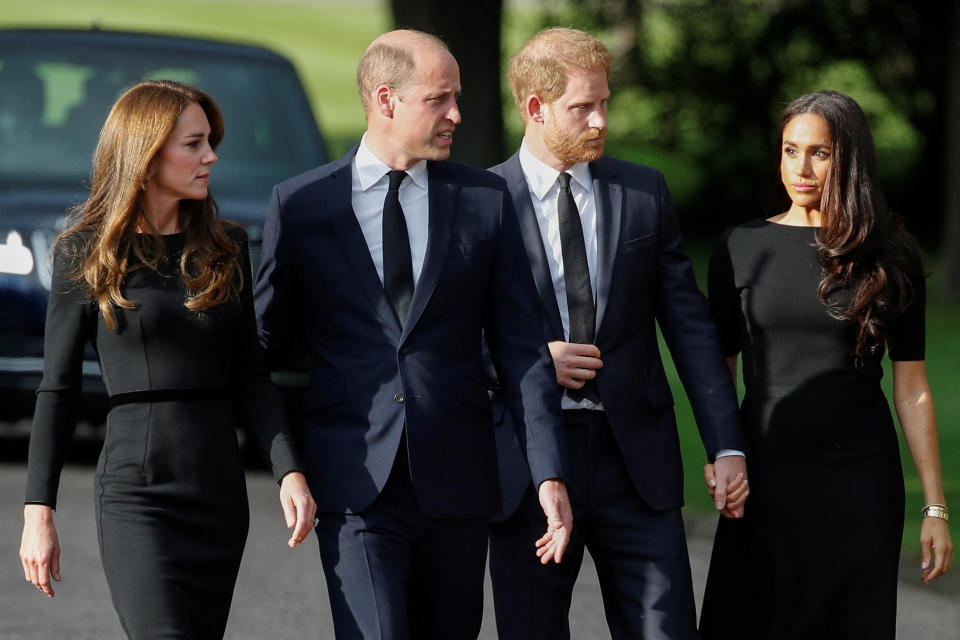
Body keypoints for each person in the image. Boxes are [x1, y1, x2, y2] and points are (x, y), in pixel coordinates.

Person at [253, 30, 572, 640]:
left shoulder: (485, 200)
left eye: (457, 97)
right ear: (385, 99)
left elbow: (522, 349)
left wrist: (548, 473)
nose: (456, 114)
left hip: (458, 478)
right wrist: (286, 465)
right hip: (352, 481)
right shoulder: (304, 206)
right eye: (439, 98)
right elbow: (261, 352)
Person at [18, 80, 317, 639]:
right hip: (138, 496)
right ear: (148, 153)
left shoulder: (225, 248)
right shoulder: (85, 253)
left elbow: (251, 375)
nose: (212, 157)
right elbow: (56, 390)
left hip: (218, 495)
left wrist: (289, 471)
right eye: (195, 144)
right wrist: (39, 510)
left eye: (211, 142)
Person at [487, 27, 749, 639]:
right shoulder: (481, 200)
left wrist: (726, 444)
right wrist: (532, 359)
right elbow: (450, 335)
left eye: (605, 102)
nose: (601, 121)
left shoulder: (643, 192)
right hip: (529, 461)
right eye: (583, 107)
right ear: (536, 107)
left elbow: (689, 328)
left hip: (635, 462)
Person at [699, 90, 954, 639]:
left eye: (821, 153)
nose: (801, 168)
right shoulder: (740, 247)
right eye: (791, 150)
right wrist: (722, 451)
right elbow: (720, 368)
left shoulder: (892, 253)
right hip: (763, 476)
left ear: (850, 159)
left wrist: (935, 507)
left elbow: (911, 385)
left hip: (859, 481)